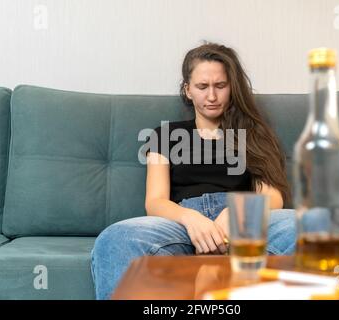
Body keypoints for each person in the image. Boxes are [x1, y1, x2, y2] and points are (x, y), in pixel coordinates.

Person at [91, 42, 296, 300]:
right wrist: (191, 219)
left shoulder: (254, 134)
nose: (212, 96)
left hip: (242, 224)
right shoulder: (165, 135)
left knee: (304, 227)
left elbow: (273, 197)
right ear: (188, 90)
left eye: (220, 86)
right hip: (182, 225)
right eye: (202, 87)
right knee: (115, 238)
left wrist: (237, 215)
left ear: (232, 88)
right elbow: (154, 202)